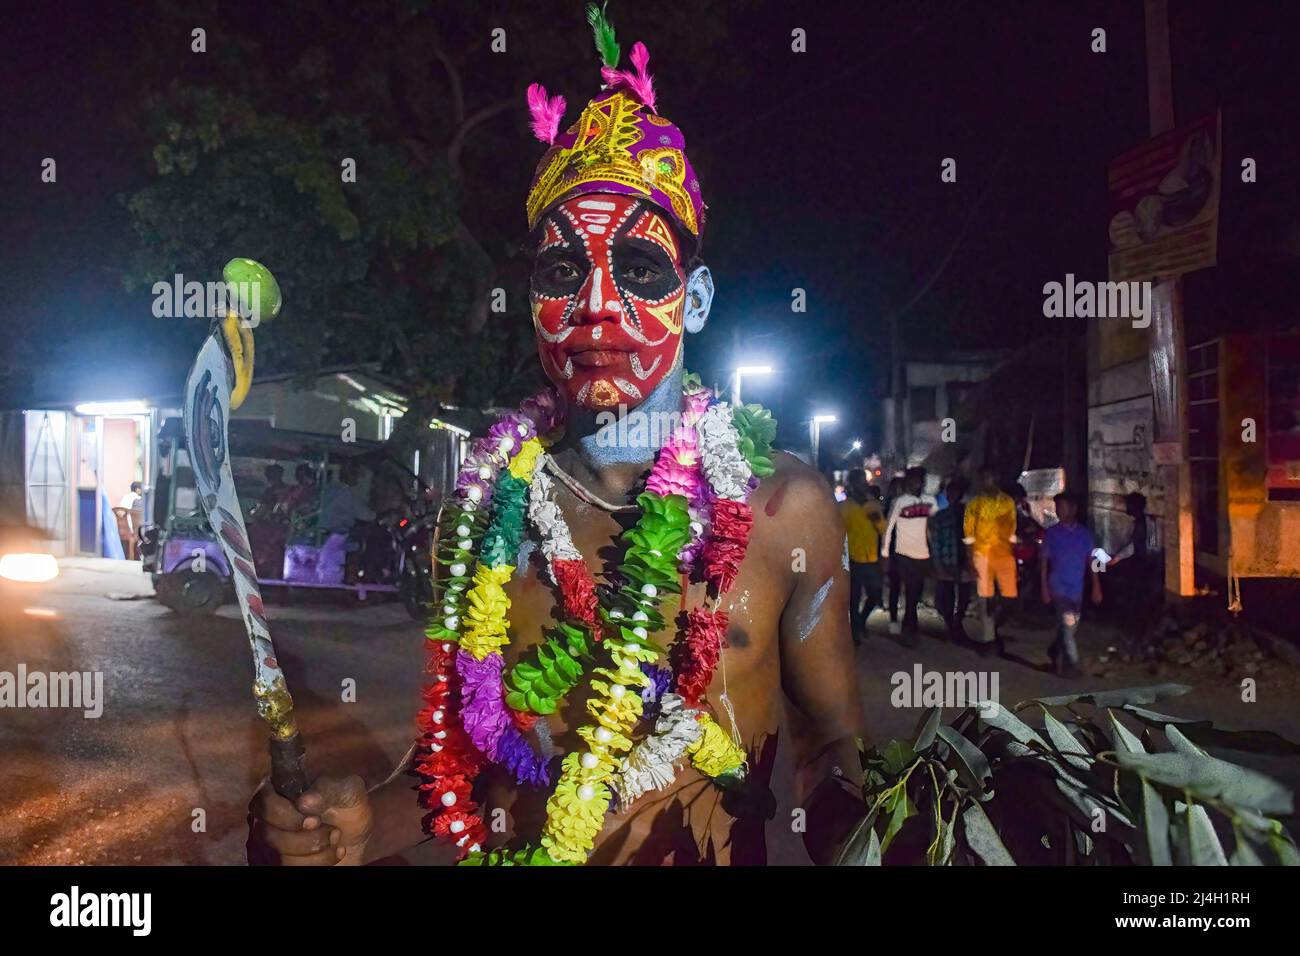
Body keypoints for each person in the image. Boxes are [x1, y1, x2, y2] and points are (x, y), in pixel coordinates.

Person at [248, 9, 864, 867]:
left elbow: (838, 752)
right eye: (562, 271)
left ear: (697, 299)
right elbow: (454, 775)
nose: (597, 303)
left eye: (641, 269)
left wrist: (898, 832)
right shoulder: (487, 510)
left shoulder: (782, 512)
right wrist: (352, 829)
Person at [1039, 491, 1102, 678]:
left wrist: (1096, 586)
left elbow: (1092, 561)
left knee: (1069, 627)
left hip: (1077, 590)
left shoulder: (1084, 534)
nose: (1058, 510)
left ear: (1073, 508)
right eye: (1057, 507)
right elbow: (1043, 563)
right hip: (1058, 588)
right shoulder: (1052, 534)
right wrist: (1044, 588)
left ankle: (1055, 650)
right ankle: (1073, 664)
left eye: (1062, 506)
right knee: (1068, 627)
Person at [963, 467, 1017, 653]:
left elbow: (1011, 530)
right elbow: (969, 534)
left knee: (1008, 598)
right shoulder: (975, 504)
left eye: (989, 477)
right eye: (984, 478)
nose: (987, 482)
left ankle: (995, 630)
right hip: (982, 554)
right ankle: (988, 641)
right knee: (985, 598)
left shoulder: (1007, 502)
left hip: (1003, 554)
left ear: (997, 478)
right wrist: (970, 560)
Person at [881, 466, 936, 644]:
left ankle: (909, 624)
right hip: (903, 553)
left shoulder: (930, 501)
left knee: (916, 591)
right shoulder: (900, 502)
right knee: (907, 590)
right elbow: (888, 528)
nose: (917, 484)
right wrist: (885, 554)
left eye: (920, 480)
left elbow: (932, 525)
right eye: (913, 480)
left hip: (922, 553)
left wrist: (933, 548)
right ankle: (907, 627)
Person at [839, 467, 885, 645]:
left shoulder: (873, 505)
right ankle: (855, 633)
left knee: (875, 595)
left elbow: (883, 530)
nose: (861, 485)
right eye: (857, 481)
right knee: (854, 599)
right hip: (852, 560)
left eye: (863, 481)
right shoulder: (845, 507)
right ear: (852, 484)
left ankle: (860, 622)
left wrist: (876, 519)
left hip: (871, 559)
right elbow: (838, 533)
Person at [927, 476, 971, 642]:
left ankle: (957, 623)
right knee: (947, 596)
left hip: (964, 560)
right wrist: (938, 564)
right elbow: (936, 542)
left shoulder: (967, 513)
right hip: (947, 561)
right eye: (950, 492)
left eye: (956, 492)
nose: (953, 495)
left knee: (964, 596)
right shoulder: (940, 516)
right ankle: (952, 625)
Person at [882, 475, 905, 632]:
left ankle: (909, 620)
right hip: (894, 551)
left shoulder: (907, 503)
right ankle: (893, 619)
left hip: (909, 549)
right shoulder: (889, 506)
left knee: (911, 586)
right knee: (895, 586)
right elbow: (885, 530)